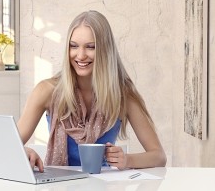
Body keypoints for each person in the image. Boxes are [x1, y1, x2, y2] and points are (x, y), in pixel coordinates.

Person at [17, 10, 166, 172]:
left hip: (103, 184)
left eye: (90, 47)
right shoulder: (47, 90)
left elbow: (158, 156)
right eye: (73, 46)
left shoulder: (123, 93)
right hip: (59, 184)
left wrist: (127, 160)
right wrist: (22, 151)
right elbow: (9, 146)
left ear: (105, 51)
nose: (80, 55)